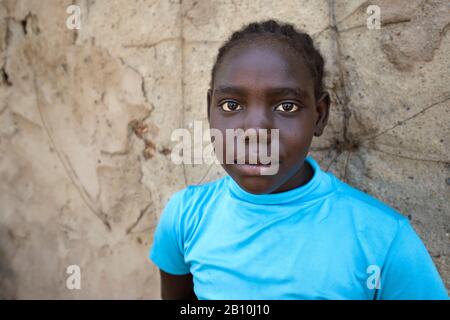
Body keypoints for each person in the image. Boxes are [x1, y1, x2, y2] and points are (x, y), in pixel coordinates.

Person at [149, 19, 448, 300]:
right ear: (209, 109)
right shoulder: (185, 217)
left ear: (319, 116)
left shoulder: (384, 239)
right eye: (231, 104)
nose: (254, 131)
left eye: (287, 106)